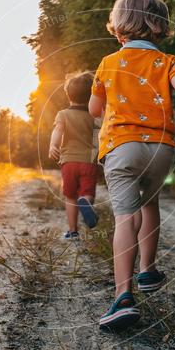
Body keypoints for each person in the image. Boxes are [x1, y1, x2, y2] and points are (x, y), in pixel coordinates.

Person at [88, 0, 175, 331]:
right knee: (150, 203)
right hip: (161, 149)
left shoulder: (108, 64)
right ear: (159, 25)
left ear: (118, 25)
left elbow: (94, 110)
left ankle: (123, 297)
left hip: (121, 146)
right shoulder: (167, 62)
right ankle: (147, 270)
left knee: (125, 218)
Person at [49, 71, 99, 239]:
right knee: (87, 192)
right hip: (89, 161)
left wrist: (53, 145)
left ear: (68, 95)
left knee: (70, 196)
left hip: (69, 161)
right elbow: (99, 137)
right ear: (90, 95)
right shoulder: (94, 116)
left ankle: (73, 231)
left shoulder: (63, 114)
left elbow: (58, 130)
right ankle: (86, 202)